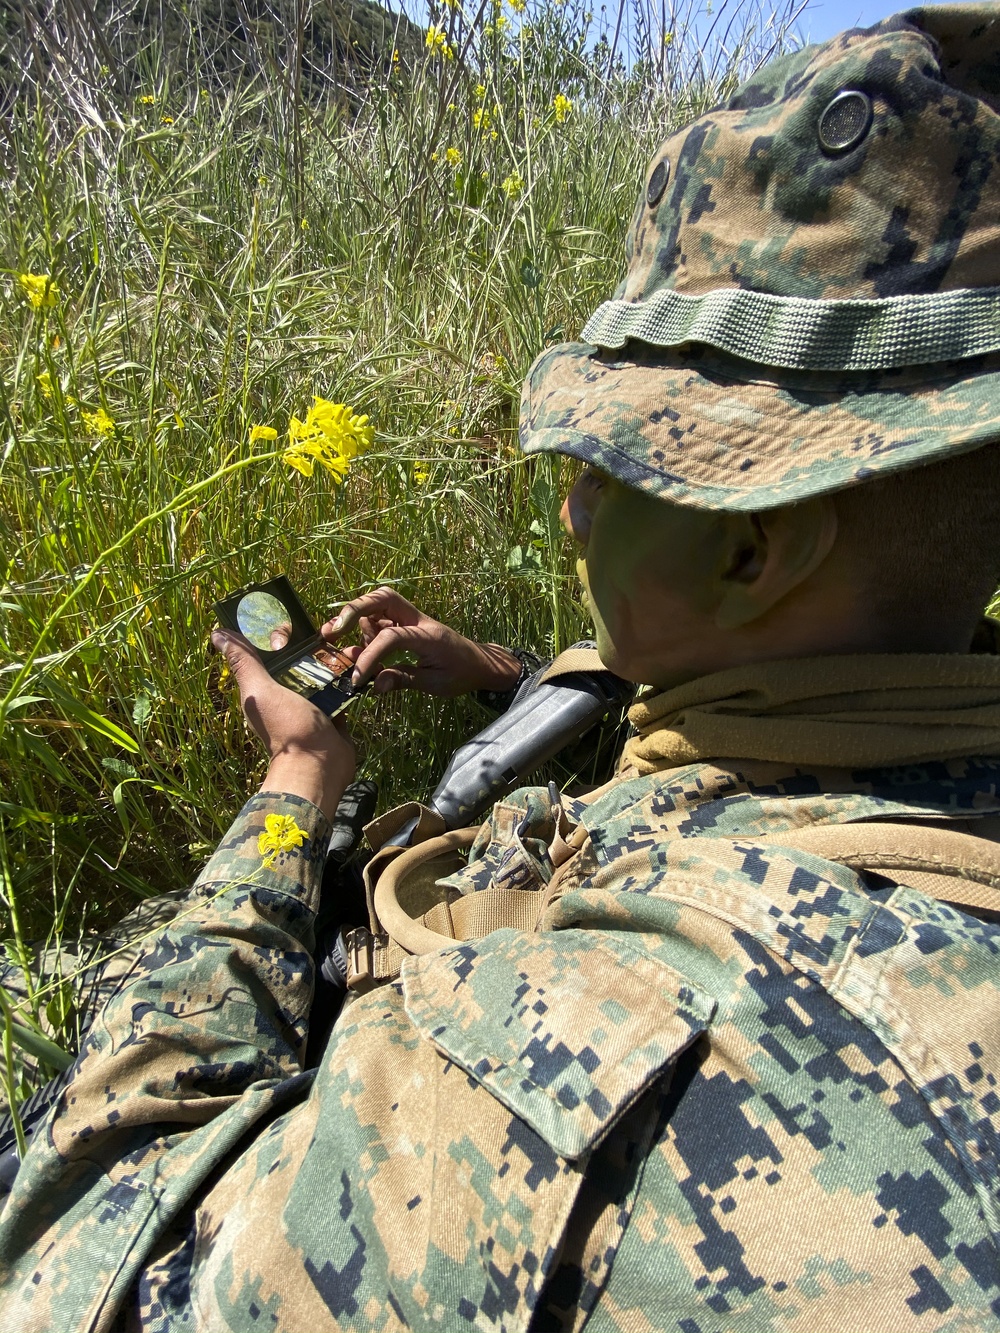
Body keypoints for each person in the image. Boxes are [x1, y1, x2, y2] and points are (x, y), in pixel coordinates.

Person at [5, 7, 1000, 1328]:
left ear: (757, 553)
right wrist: (521, 685)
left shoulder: (521, 1099)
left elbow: (71, 1266)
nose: (576, 505)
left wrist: (293, 790)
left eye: (617, 461)